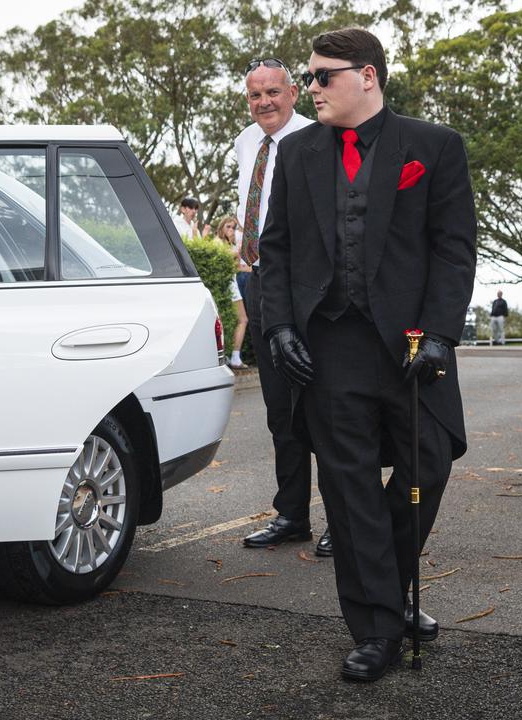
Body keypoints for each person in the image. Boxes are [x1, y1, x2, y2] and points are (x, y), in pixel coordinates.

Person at [257, 28, 476, 681]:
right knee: (348, 489)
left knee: (428, 463)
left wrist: (439, 334)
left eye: (323, 76)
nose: (313, 88)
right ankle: (378, 627)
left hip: (410, 343)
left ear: (368, 76)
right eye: (311, 77)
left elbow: (453, 246)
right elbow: (277, 249)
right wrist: (278, 329)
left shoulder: (434, 148)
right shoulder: (295, 153)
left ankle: (389, 587)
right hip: (329, 345)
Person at [232, 56, 323, 556]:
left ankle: (344, 518)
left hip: (307, 285)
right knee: (278, 411)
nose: (264, 102)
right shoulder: (247, 142)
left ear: (294, 91)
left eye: (273, 91)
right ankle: (292, 515)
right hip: (259, 281)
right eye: (254, 94)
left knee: (325, 408)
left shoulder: (319, 138)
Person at [214, 215, 249, 368]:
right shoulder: (217, 242)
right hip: (225, 287)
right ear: (221, 227)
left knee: (240, 320)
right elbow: (224, 259)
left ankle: (234, 356)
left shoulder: (231, 244)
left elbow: (236, 267)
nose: (231, 230)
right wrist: (239, 251)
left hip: (232, 285)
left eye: (233, 228)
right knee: (238, 320)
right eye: (228, 227)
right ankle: (231, 357)